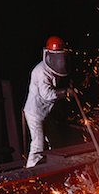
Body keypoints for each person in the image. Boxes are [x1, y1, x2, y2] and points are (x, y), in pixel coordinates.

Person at [23, 36, 73, 168]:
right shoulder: (41, 72)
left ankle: (52, 168)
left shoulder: (54, 68)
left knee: (53, 141)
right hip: (35, 112)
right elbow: (47, 94)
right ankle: (30, 171)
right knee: (38, 144)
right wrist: (66, 92)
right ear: (48, 54)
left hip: (45, 111)